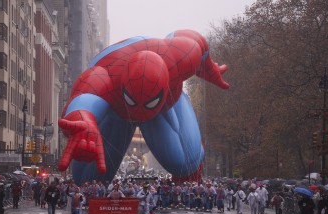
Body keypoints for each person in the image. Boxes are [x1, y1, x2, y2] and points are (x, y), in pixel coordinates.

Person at [57, 29, 230, 186]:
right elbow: (83, 101)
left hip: (162, 106)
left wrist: (208, 68)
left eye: (147, 104)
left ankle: (191, 166)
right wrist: (84, 124)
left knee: (185, 163)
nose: (140, 113)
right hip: (117, 112)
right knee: (88, 179)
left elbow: (199, 43)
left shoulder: (181, 57)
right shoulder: (103, 75)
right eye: (135, 103)